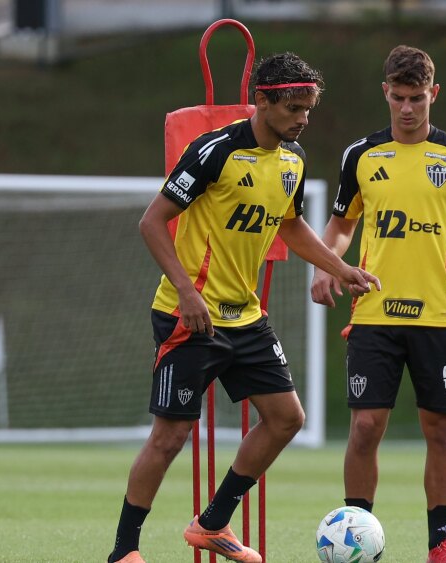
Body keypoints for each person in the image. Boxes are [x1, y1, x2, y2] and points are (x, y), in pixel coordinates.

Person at [106, 52, 380, 563]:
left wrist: (340, 268)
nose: (303, 118)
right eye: (294, 107)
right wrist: (187, 292)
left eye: (309, 109)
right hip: (191, 316)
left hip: (245, 316)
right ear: (262, 100)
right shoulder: (214, 151)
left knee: (286, 418)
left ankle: (211, 524)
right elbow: (152, 222)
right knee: (170, 437)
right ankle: (124, 551)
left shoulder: (293, 161)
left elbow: (290, 225)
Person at [311, 45, 446, 563]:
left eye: (417, 98)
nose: (408, 108)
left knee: (441, 429)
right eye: (399, 98)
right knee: (366, 426)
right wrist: (328, 265)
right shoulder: (361, 156)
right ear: (385, 95)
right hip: (374, 313)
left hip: (440, 315)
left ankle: (440, 545)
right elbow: (343, 223)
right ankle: (354, 533)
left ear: (433, 94)